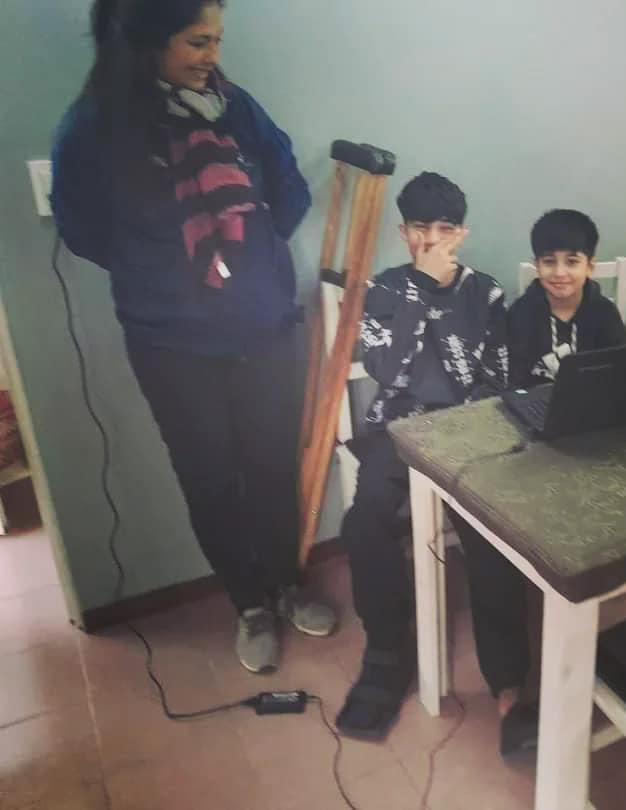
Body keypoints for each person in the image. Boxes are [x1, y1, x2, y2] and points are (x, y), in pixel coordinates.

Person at [51, 0, 335, 674]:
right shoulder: (94, 128)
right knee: (210, 479)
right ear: (149, 42)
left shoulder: (235, 108)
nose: (213, 55)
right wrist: (163, 270)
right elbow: (84, 229)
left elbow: (288, 184)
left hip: (265, 326)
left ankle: (287, 584)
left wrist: (251, 249)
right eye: (197, 41)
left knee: (271, 466)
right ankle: (250, 604)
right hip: (172, 344)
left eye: (217, 40)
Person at [337, 172, 536, 757]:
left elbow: (499, 377)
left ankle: (509, 684)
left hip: (468, 430)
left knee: (491, 528)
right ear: (403, 232)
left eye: (444, 230)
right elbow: (385, 371)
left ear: (461, 234)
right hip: (399, 429)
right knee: (365, 518)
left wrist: (473, 430)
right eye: (420, 229)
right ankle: (386, 648)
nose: (431, 240)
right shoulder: (386, 290)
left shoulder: (486, 293)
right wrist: (421, 289)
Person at [509, 209, 626, 389]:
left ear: (589, 267)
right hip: (534, 401)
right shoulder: (520, 313)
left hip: (593, 399)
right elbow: (515, 381)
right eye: (549, 261)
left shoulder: (605, 313)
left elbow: (619, 373)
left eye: (572, 262)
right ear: (537, 266)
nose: (559, 273)